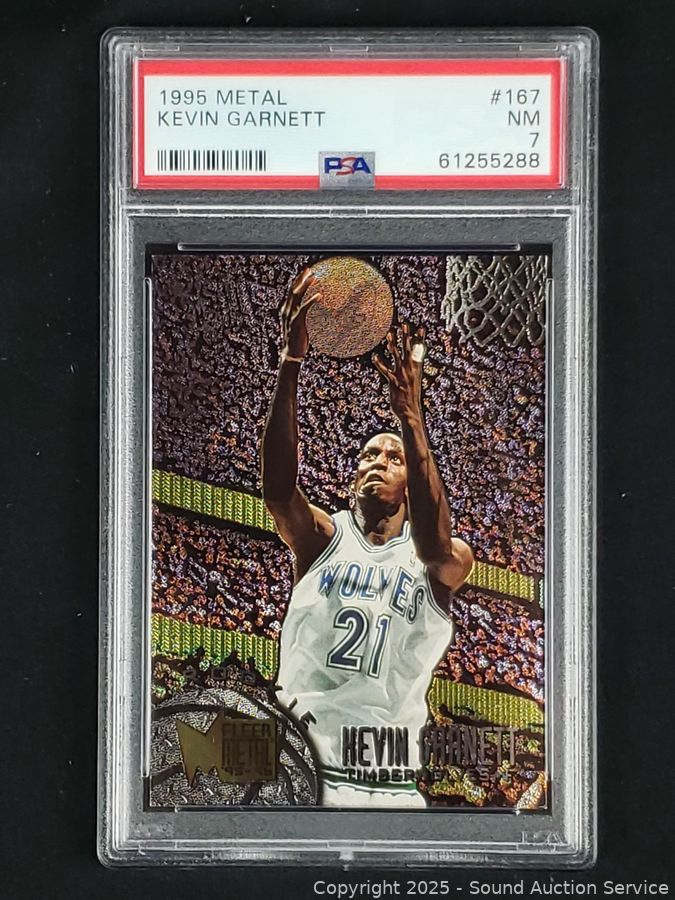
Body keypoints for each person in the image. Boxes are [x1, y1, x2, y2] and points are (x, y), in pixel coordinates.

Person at [261, 267, 474, 808]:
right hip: (303, 768)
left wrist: (411, 420)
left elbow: (432, 546)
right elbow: (279, 491)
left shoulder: (444, 560)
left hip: (388, 780)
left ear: (412, 484)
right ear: (352, 475)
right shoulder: (322, 538)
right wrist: (290, 362)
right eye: (368, 454)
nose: (378, 460)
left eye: (393, 457)